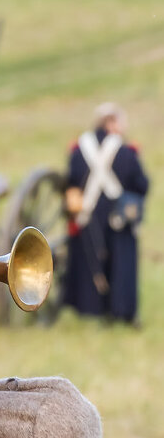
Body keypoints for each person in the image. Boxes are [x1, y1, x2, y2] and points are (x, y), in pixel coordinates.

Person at [62, 103, 149, 325]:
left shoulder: (79, 151)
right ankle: (120, 311)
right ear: (111, 123)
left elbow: (71, 179)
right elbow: (142, 185)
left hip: (88, 219)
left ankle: (89, 309)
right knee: (121, 263)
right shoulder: (126, 153)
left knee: (89, 261)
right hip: (117, 218)